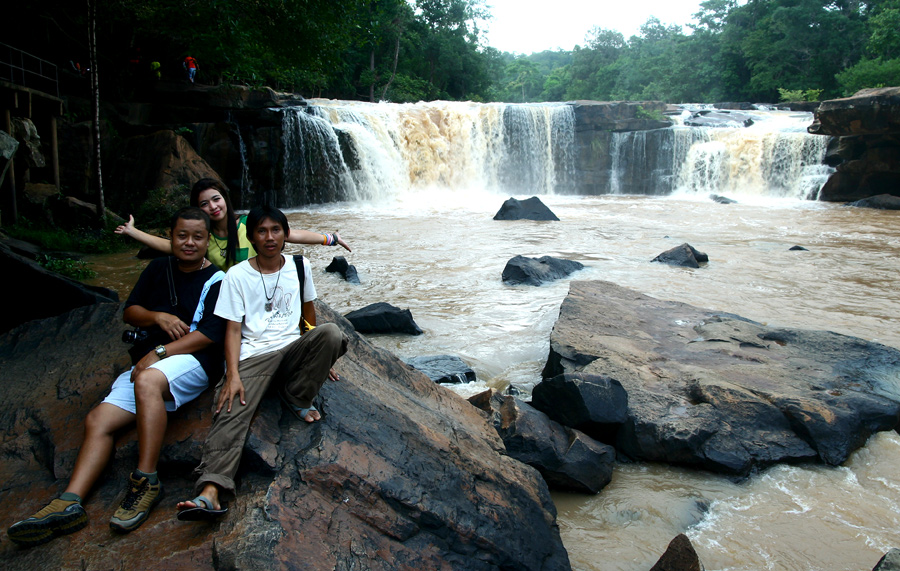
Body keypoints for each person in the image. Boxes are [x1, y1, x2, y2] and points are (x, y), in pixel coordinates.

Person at [7, 207, 227, 546]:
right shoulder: (157, 268)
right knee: (98, 419)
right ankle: (69, 502)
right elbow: (130, 311)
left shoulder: (218, 280)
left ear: (207, 239)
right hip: (151, 362)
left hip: (194, 360)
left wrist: (159, 352)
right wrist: (158, 317)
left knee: (148, 381)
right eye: (182, 235)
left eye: (197, 237)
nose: (189, 242)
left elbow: (210, 334)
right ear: (170, 236)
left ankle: (147, 480)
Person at [175, 205, 347, 520]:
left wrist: (320, 356)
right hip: (254, 355)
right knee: (232, 407)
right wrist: (232, 375)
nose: (270, 237)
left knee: (333, 334)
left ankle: (297, 396)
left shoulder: (300, 265)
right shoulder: (236, 275)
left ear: (286, 234)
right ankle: (211, 490)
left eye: (276, 230)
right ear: (252, 237)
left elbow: (308, 312)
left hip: (291, 349)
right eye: (262, 231)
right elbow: (232, 330)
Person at [115, 178, 350, 271]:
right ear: (198, 209)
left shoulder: (249, 224)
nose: (213, 206)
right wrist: (133, 232)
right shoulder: (203, 238)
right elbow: (170, 246)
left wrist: (331, 239)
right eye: (204, 204)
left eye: (216, 199)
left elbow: (290, 235)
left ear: (225, 199)